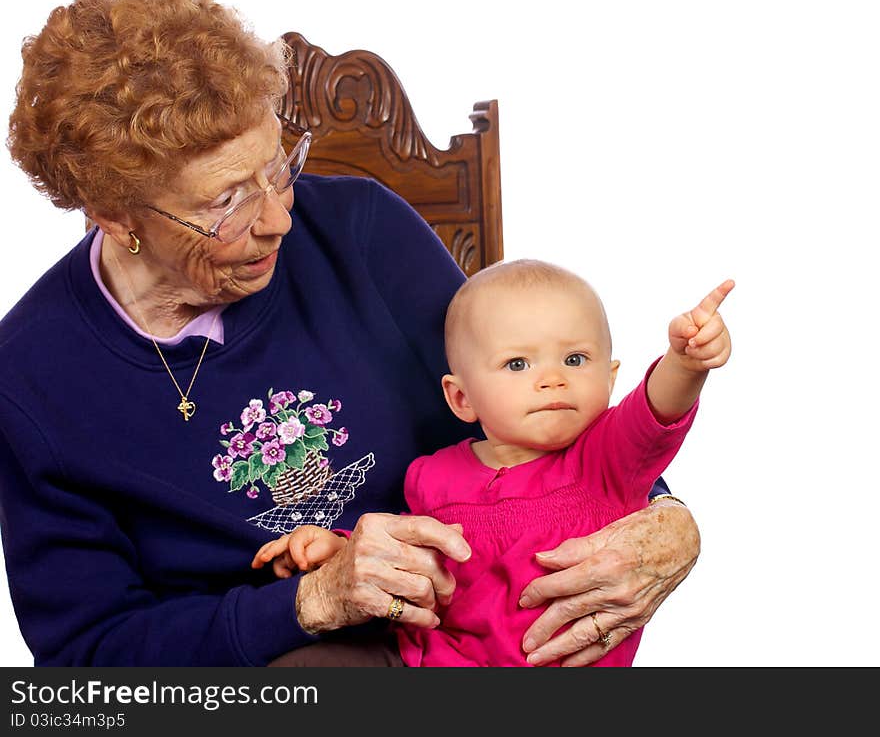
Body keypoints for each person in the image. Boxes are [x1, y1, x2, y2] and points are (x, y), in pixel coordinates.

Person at [0, 0, 700, 667]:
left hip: (486, 628)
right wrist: (310, 600)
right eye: (228, 202)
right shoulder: (34, 380)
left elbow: (521, 397)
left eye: (278, 166)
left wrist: (663, 517)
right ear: (116, 216)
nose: (278, 218)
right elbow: (89, 659)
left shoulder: (364, 232)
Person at [254, 261, 732, 665]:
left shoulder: (606, 459)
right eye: (518, 365)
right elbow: (404, 557)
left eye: (575, 359)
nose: (552, 379)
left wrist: (685, 365)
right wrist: (336, 549)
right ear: (461, 397)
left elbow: (656, 411)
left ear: (610, 378)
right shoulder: (431, 474)